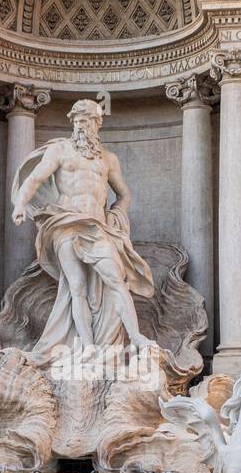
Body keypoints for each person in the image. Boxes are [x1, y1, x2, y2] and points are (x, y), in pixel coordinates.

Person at [11, 100, 156, 360]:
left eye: (86, 120)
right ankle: (87, 346)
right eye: (76, 120)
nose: (80, 125)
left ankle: (136, 337)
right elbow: (35, 179)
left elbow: (124, 194)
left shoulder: (108, 159)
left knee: (116, 278)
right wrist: (20, 204)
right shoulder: (60, 150)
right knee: (76, 285)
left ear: (97, 124)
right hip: (65, 223)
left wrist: (117, 214)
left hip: (97, 226)